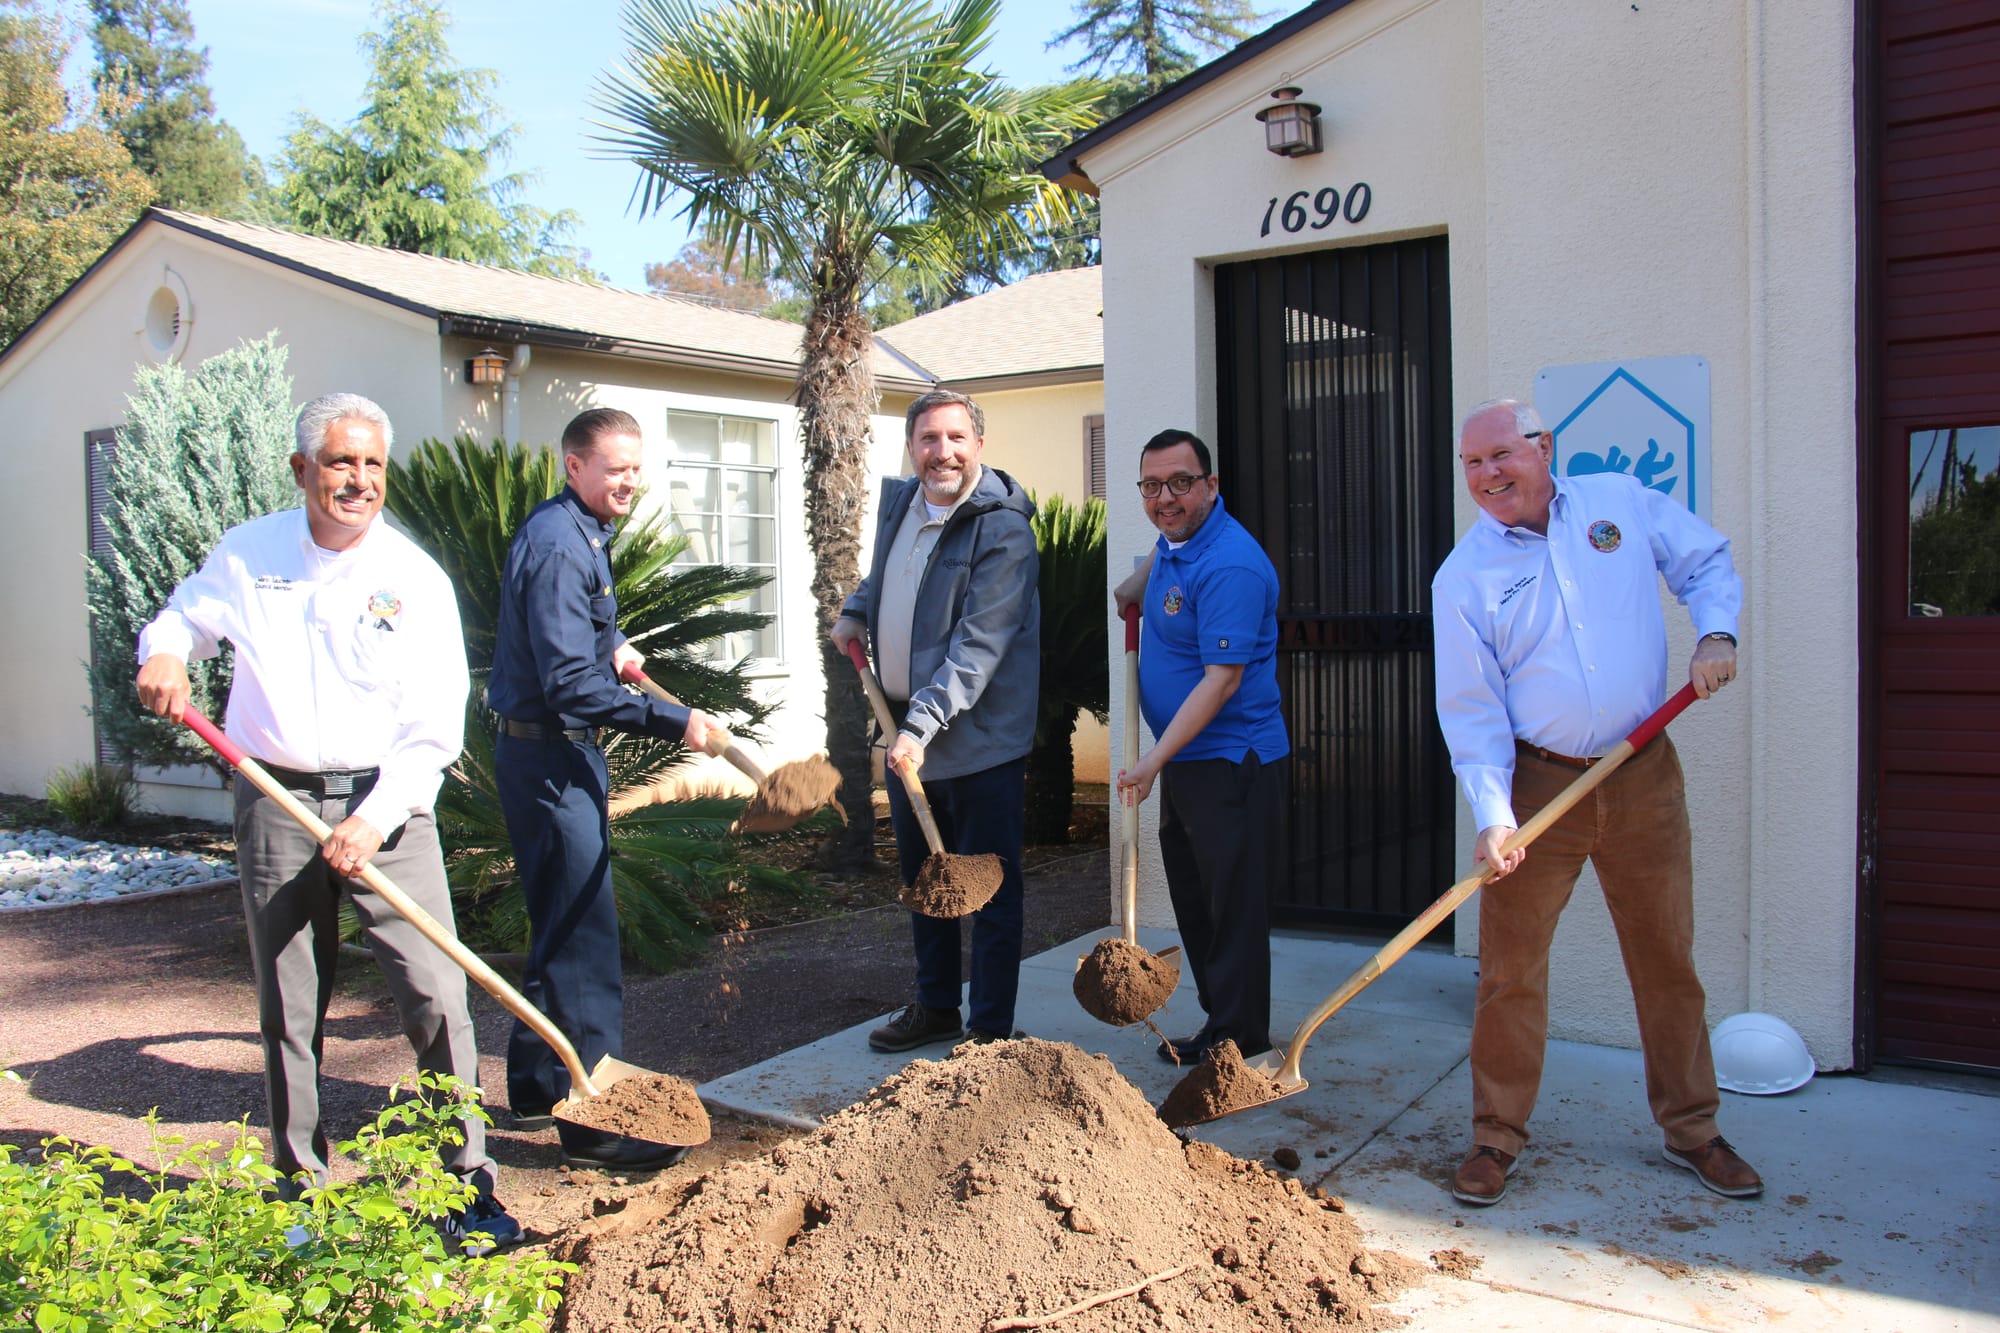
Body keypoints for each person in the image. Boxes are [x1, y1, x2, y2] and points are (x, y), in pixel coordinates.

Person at [136, 392, 518, 1250]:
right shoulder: (250, 552)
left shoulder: (413, 575)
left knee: (435, 993)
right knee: (289, 1001)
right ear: (302, 469)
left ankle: (467, 1186)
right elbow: (184, 618)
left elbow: (435, 723)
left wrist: (375, 819)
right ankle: (298, 1187)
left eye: (374, 464)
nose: (359, 480)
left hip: (392, 804)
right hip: (274, 799)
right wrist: (163, 649)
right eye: (342, 462)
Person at [1431, 397, 1761, 1207]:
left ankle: (1694, 1129)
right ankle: (1495, 1136)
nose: (1487, 475)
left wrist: (1716, 631)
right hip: (1538, 784)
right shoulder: (1464, 576)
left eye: (1501, 454)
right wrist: (1493, 813)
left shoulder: (1617, 503)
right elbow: (1471, 713)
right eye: (1471, 463)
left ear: (1545, 448)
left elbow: (1706, 560)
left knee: (1666, 959)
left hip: (1644, 772)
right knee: (1509, 971)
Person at [488, 407, 719, 1172]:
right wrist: (671, 718)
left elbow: (568, 638)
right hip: (553, 756)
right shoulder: (562, 545)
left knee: (558, 917)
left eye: (635, 466)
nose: (629, 479)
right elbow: (567, 687)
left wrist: (607, 639)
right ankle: (596, 1124)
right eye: (614, 466)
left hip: (550, 757)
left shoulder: (574, 530)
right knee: (586, 936)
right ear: (573, 465)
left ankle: (533, 1080)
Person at [830, 389, 1041, 1053]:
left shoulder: (1002, 527)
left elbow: (980, 645)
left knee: (987, 888)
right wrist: (856, 609)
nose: (941, 451)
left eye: (955, 437)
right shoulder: (902, 505)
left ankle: (989, 1028)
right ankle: (937, 1006)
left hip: (976, 744)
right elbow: (888, 577)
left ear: (978, 444)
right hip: (906, 738)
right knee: (927, 883)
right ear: (912, 446)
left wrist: (918, 725)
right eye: (928, 438)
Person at [1112, 428, 1289, 1064]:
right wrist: (1141, 576)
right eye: (1152, 485)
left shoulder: (1231, 564)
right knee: (1198, 905)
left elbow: (1222, 682)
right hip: (1189, 763)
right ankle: (1222, 1029)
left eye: (1181, 483)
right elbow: (1169, 556)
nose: (1167, 497)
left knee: (1234, 914)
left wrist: (1153, 761)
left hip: (1231, 763)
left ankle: (1248, 1048)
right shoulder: (1178, 547)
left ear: (1211, 487)